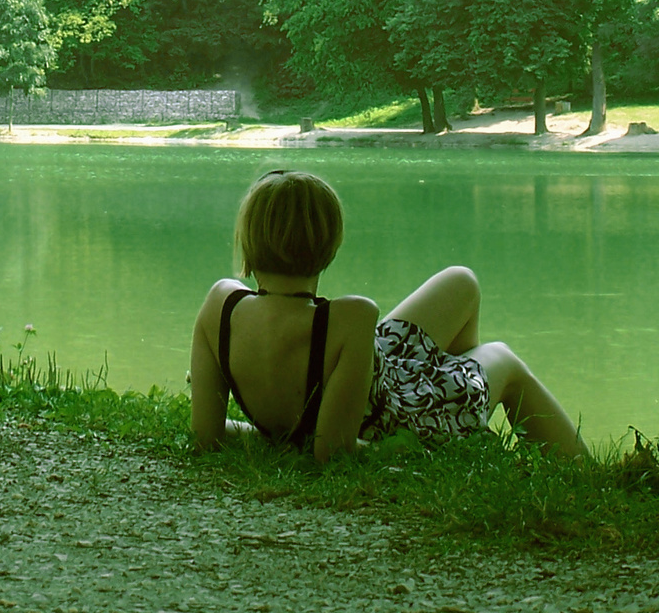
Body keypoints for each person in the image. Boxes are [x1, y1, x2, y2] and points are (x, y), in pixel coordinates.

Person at [189, 168, 585, 462]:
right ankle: (580, 473)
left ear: (249, 239)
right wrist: (305, 441)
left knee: (461, 283)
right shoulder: (350, 317)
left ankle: (463, 408)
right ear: (329, 245)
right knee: (505, 359)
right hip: (397, 416)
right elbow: (335, 451)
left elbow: (206, 436)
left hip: (378, 379)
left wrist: (275, 433)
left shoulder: (220, 304)